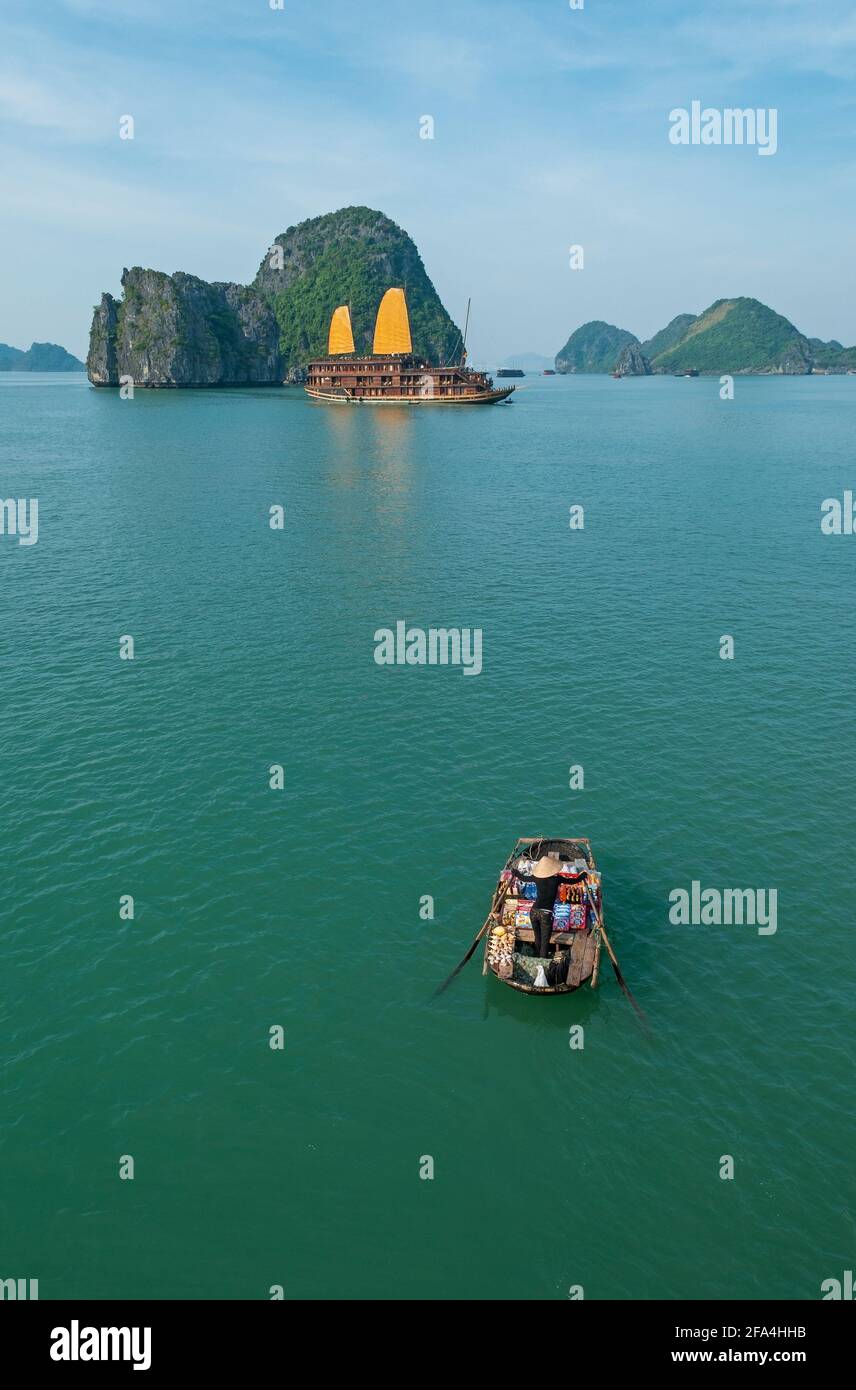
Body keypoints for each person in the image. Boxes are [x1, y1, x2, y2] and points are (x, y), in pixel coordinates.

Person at [528, 855, 562, 957]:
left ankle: (537, 955)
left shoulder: (536, 878)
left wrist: (515, 873)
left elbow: (523, 878)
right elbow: (573, 881)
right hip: (546, 914)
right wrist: (582, 877)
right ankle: (541, 962)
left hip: (533, 912)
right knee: (544, 941)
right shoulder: (557, 879)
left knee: (537, 937)